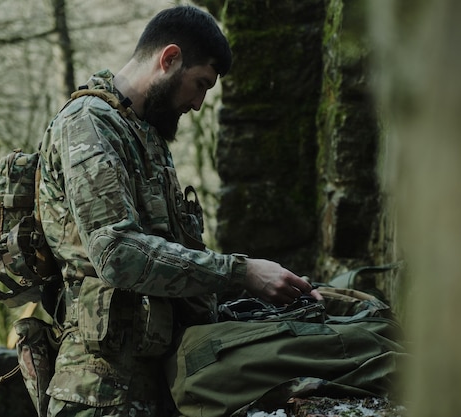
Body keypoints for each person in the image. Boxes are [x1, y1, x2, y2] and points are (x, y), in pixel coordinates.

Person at [37, 5, 318, 417]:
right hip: (100, 395)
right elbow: (118, 255)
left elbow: (174, 258)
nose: (200, 103)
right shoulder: (88, 124)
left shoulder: (146, 135)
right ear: (168, 59)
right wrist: (242, 272)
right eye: (200, 84)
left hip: (159, 382)